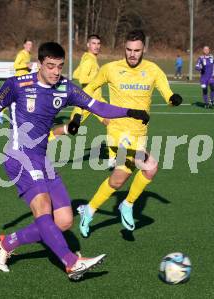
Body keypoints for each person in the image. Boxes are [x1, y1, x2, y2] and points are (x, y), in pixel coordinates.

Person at [0, 42, 150, 280]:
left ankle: (6, 242)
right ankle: (71, 263)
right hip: (19, 156)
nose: (55, 71)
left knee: (63, 221)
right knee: (43, 209)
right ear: (39, 64)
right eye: (50, 66)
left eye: (60, 66)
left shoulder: (66, 88)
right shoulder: (17, 84)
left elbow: (98, 106)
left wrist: (130, 112)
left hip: (42, 159)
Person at [77, 29, 183, 238]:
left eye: (137, 50)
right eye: (128, 49)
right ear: (123, 48)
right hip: (117, 133)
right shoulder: (110, 69)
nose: (132, 54)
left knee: (117, 181)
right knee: (151, 166)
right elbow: (88, 89)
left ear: (144, 49)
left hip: (139, 134)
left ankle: (88, 210)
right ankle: (127, 205)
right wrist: (78, 114)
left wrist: (173, 99)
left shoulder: (153, 70)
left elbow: (167, 93)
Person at [50, 34, 107, 139]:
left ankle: (119, 151)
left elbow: (76, 74)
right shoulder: (89, 60)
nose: (97, 46)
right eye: (93, 43)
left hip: (97, 101)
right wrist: (99, 79)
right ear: (88, 44)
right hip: (86, 101)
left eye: (98, 43)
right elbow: (82, 78)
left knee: (112, 123)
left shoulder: (88, 57)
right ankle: (47, 139)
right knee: (72, 128)